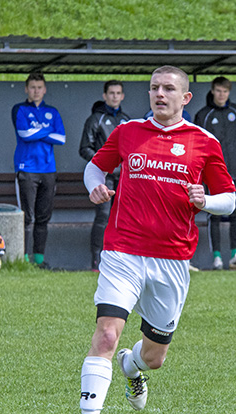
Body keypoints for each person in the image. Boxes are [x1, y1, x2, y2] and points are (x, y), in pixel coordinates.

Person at [76, 66, 236, 414]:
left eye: (168, 89)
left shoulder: (204, 142)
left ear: (186, 98)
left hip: (172, 261)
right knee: (107, 335)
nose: (159, 94)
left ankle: (133, 368)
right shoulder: (128, 132)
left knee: (154, 357)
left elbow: (228, 199)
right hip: (122, 251)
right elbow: (95, 165)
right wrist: (94, 185)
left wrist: (205, 201)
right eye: (153, 88)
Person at [11, 72, 66, 268]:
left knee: (43, 216)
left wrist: (39, 133)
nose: (36, 91)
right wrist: (47, 132)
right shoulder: (20, 109)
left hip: (48, 169)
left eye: (39, 87)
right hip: (27, 168)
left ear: (45, 89)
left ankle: (39, 260)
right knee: (26, 216)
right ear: (26, 89)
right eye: (32, 87)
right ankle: (23, 260)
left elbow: (61, 138)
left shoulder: (53, 111)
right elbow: (24, 134)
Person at [194, 77, 236, 270]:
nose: (221, 95)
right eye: (218, 91)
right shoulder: (204, 114)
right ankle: (216, 257)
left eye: (225, 91)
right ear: (212, 90)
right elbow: (197, 143)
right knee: (213, 214)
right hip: (212, 173)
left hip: (235, 170)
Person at [79, 80, 131, 271]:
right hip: (105, 177)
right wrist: (104, 164)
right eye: (111, 93)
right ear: (105, 95)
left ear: (122, 96)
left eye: (118, 93)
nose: (115, 96)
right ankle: (96, 261)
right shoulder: (95, 119)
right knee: (103, 216)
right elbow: (84, 148)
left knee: (124, 218)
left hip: (125, 178)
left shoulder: (128, 120)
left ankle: (121, 261)